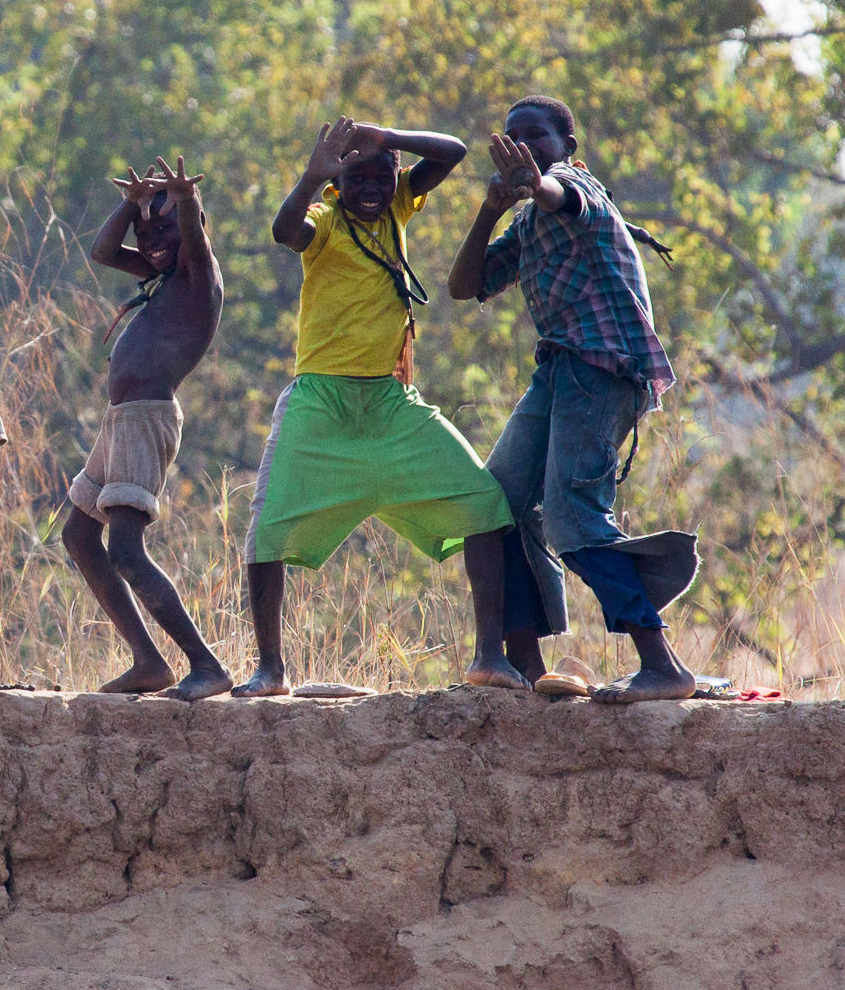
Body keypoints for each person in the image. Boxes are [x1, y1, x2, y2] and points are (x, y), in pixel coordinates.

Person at [236, 117, 524, 697]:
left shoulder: (398, 207)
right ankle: (270, 669)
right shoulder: (324, 220)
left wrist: (383, 138)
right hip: (320, 403)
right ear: (338, 184)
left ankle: (490, 656)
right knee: (267, 534)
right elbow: (282, 229)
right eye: (356, 177)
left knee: (485, 505)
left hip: (390, 404)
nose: (371, 187)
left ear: (396, 180)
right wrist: (313, 176)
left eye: (381, 177)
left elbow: (454, 150)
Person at [448, 96, 700, 704]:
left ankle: (661, 664)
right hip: (559, 369)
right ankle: (525, 663)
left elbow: (562, 196)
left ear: (569, 145)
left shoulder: (578, 189)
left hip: (602, 368)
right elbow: (464, 285)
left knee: (571, 513)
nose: (523, 144)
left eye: (536, 135)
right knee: (495, 498)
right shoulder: (527, 220)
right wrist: (490, 208)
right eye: (512, 136)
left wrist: (535, 183)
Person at [61, 158, 231, 700]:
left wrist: (185, 203)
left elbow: (189, 237)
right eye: (146, 231)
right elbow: (104, 251)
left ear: (190, 229)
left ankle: (206, 665)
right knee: (79, 534)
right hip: (121, 422)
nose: (154, 241)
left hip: (146, 419)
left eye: (167, 230)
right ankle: (148, 663)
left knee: (127, 552)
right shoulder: (161, 273)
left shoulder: (195, 271)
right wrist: (132, 204)